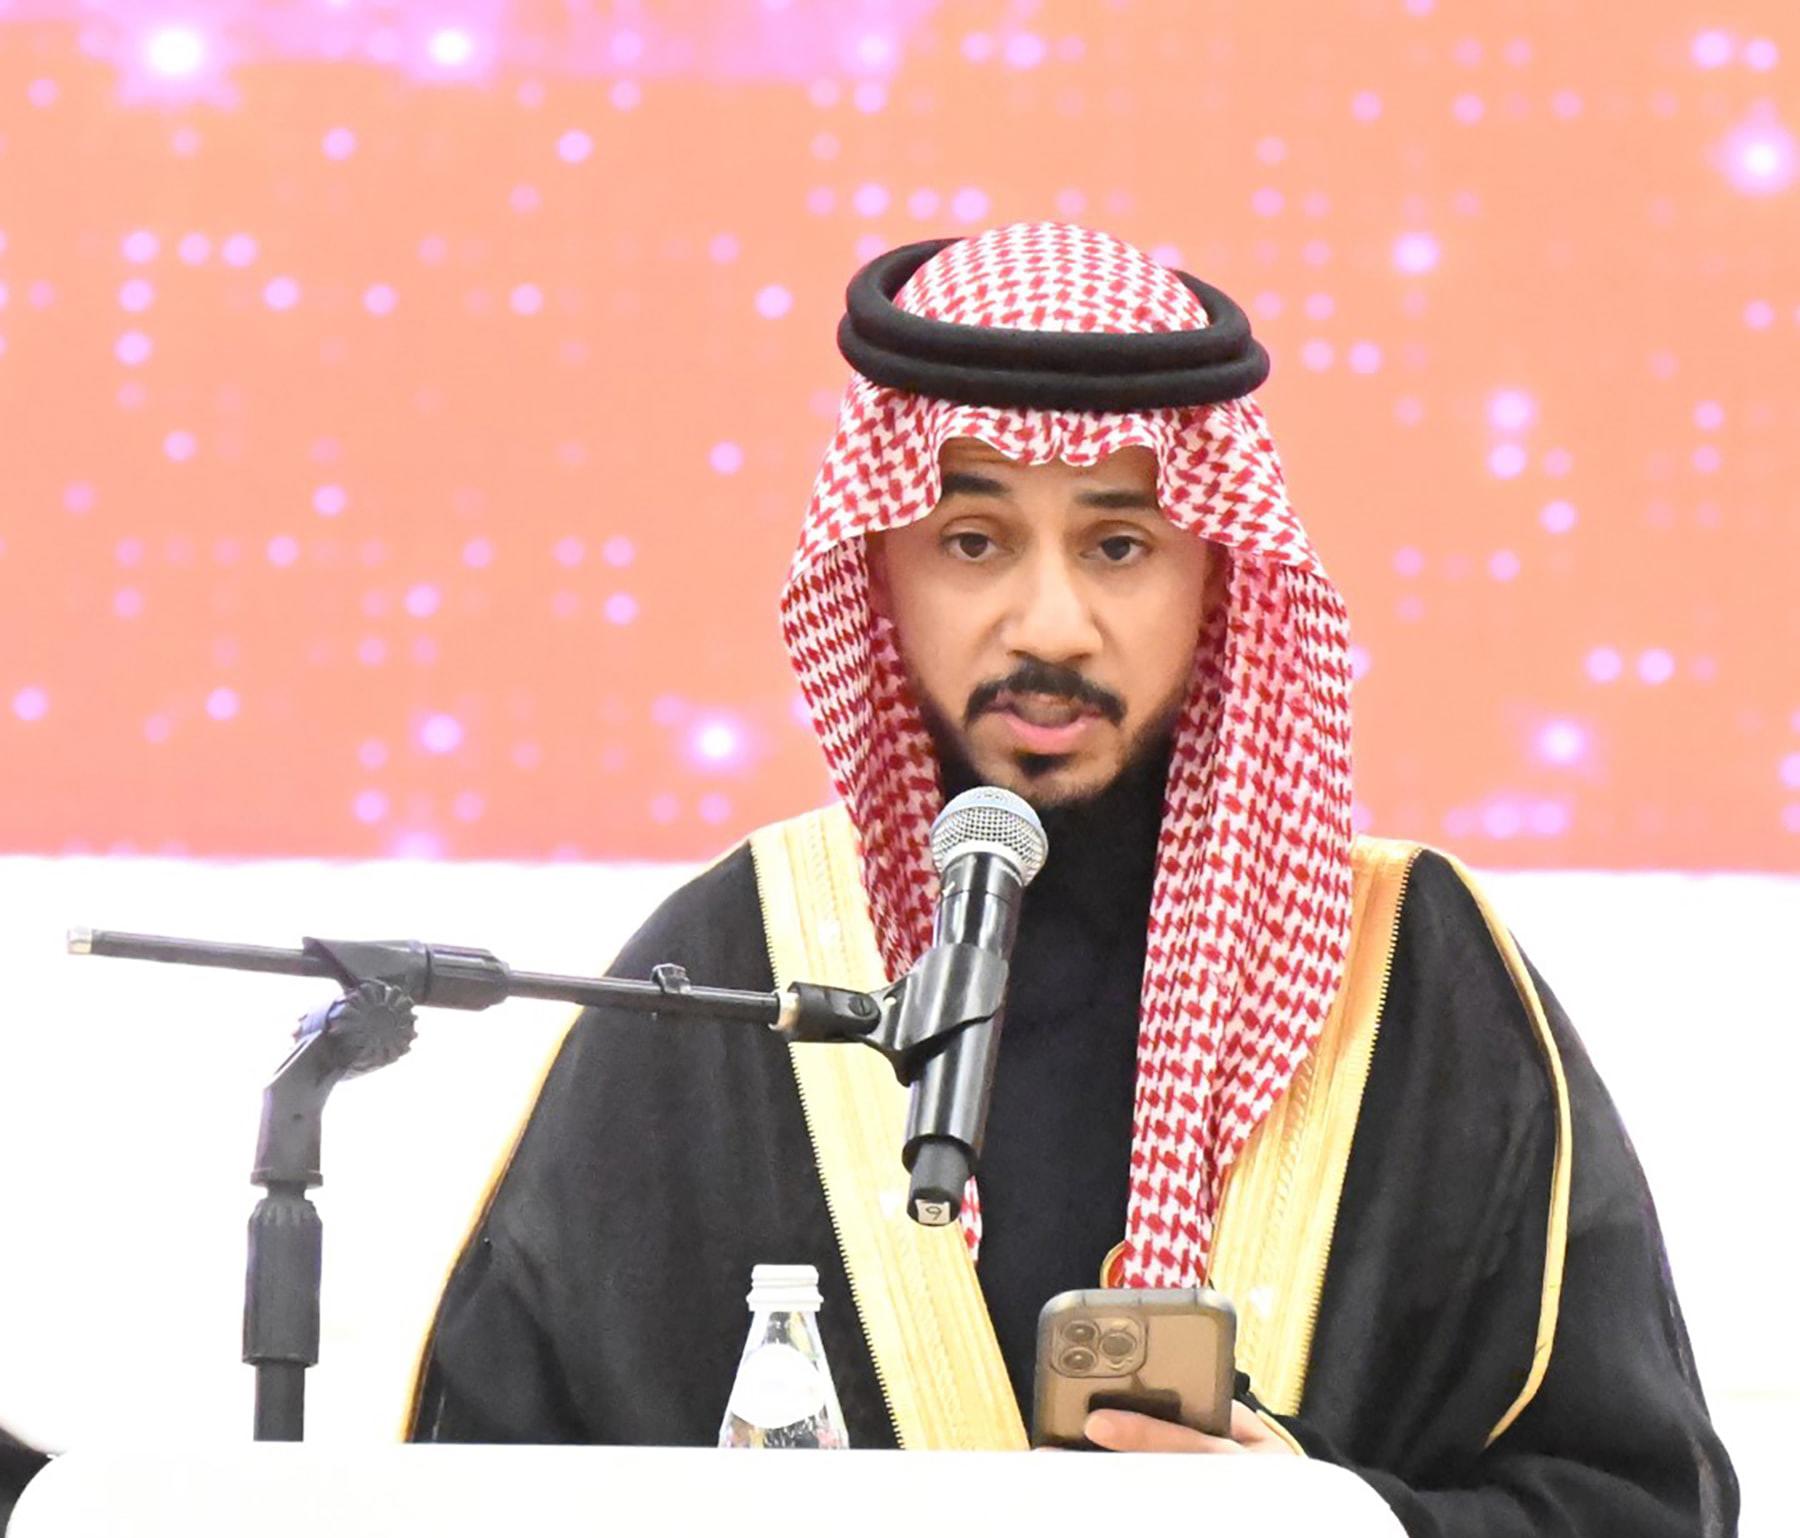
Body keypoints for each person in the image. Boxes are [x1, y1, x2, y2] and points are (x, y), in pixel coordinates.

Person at [410, 223, 1737, 1536]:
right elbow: (473, 1493)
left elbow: (1642, 1507)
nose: (1050, 624)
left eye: (1118, 547)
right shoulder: (733, 969)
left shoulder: (1410, 975)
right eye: (973, 540)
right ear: (877, 567)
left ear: (1218, 574)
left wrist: (1325, 1519)